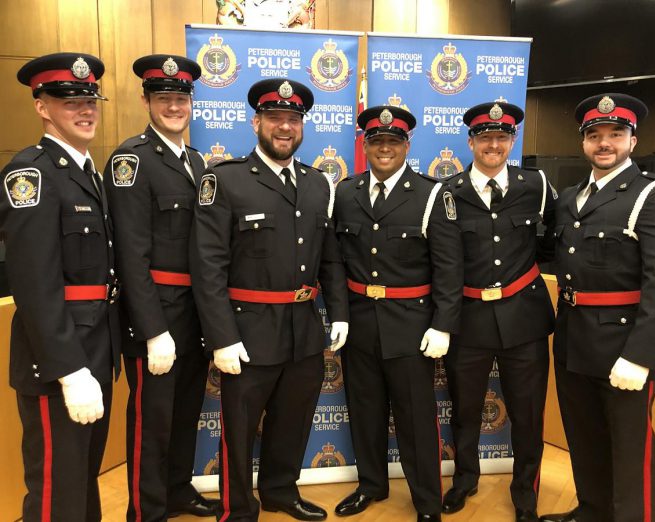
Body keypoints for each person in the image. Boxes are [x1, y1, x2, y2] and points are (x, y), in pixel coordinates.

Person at [190, 78, 350, 522]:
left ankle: (281, 490)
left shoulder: (319, 184)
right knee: (239, 431)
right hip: (247, 330)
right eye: (275, 118)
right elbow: (207, 268)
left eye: (293, 119)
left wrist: (338, 313)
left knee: (293, 420)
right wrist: (221, 337)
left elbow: (331, 259)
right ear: (256, 121)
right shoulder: (225, 180)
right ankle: (238, 508)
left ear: (302, 127)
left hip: (303, 328)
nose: (285, 127)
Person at [540, 94, 655, 522]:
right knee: (584, 435)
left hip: (622, 346)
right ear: (583, 143)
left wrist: (642, 356)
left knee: (630, 446)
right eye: (594, 136)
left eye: (615, 134)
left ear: (632, 139)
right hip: (573, 336)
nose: (604, 143)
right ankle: (592, 509)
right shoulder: (570, 198)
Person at [0, 52, 119, 520]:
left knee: (81, 483)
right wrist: (69, 370)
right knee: (55, 491)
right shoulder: (31, 174)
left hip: (95, 350)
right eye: (69, 101)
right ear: (42, 107)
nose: (85, 110)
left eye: (90, 99)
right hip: (57, 364)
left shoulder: (87, 172)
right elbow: (34, 284)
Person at [332, 105, 462, 522]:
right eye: (376, 141)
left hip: (411, 325)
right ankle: (371, 484)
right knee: (365, 411)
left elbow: (448, 267)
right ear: (365, 145)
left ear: (407, 145)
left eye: (393, 142)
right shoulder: (346, 192)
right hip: (360, 323)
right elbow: (335, 261)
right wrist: (339, 315)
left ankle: (427, 502)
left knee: (415, 420)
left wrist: (443, 324)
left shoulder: (430, 194)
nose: (384, 149)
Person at [103, 54, 219, 519]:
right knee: (152, 422)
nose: (174, 106)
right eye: (164, 98)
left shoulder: (194, 160)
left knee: (186, 411)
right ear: (147, 100)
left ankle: (176, 490)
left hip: (194, 311)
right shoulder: (131, 161)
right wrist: (153, 330)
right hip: (157, 315)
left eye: (181, 98)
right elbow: (130, 256)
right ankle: (146, 509)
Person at [441, 101, 555, 522]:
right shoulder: (448, 193)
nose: (493, 145)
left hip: (524, 320)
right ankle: (464, 480)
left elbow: (552, 243)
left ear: (512, 141)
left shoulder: (536, 186)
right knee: (464, 409)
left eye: (501, 137)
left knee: (527, 415)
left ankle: (526, 493)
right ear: (470, 142)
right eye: (484, 137)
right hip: (468, 319)